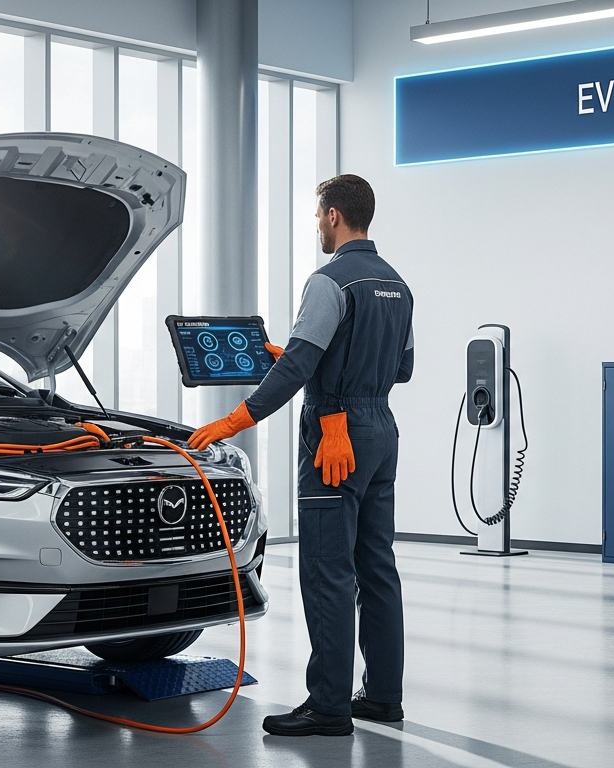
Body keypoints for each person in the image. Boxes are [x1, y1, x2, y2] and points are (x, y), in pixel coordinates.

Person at [188, 174, 413, 737]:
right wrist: (314, 360)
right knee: (377, 568)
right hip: (381, 431)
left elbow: (296, 370)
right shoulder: (398, 285)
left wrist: (232, 422)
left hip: (334, 438)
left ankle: (329, 707)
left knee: (327, 571)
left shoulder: (328, 281)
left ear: (334, 215)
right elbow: (403, 368)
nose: (317, 225)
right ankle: (383, 697)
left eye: (317, 215)